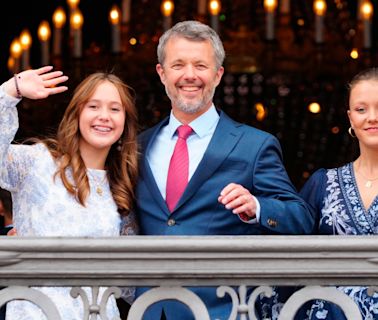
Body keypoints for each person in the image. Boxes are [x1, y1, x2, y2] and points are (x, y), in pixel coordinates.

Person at [132, 20, 315, 320]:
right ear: (161, 73)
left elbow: (302, 218)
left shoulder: (255, 145)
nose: (189, 75)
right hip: (150, 310)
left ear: (218, 75)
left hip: (223, 309)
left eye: (201, 65)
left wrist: (257, 206)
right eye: (178, 65)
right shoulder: (137, 146)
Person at [0, 66, 139, 319]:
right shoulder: (37, 162)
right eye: (93, 106)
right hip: (37, 312)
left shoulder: (121, 186)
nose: (104, 116)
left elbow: (129, 282)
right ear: (76, 114)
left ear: (125, 123)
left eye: (115, 109)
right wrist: (11, 91)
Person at [297, 67, 378, 319]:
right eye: (361, 109)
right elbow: (292, 248)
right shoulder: (323, 182)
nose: (371, 117)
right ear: (350, 118)